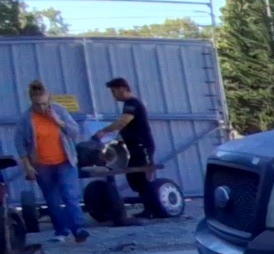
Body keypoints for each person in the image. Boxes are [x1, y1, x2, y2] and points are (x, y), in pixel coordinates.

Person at [14, 80, 89, 244]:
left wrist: (58, 121)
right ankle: (61, 231)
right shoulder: (27, 119)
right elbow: (20, 143)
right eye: (37, 104)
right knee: (52, 199)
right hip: (42, 165)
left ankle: (79, 229)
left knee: (70, 195)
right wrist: (27, 166)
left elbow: (75, 131)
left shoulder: (59, 111)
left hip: (65, 161)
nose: (42, 108)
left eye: (45, 103)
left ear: (49, 99)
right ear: (32, 101)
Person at [93, 76, 164, 218]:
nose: (113, 96)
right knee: (134, 178)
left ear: (122, 89)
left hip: (141, 147)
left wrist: (104, 131)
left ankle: (153, 210)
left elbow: (123, 122)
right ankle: (148, 208)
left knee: (142, 178)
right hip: (133, 148)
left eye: (114, 92)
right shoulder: (129, 104)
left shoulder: (132, 103)